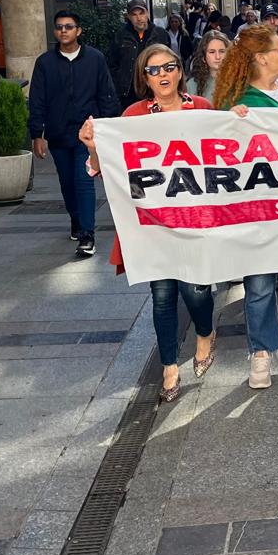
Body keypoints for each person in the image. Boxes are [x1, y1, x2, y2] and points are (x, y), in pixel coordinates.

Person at [78, 44, 215, 404]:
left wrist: (240, 119)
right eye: (154, 70)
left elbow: (227, 155)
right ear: (145, 78)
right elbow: (107, 165)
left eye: (169, 66)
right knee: (163, 295)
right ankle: (170, 366)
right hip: (153, 224)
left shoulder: (202, 109)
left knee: (197, 291)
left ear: (180, 71)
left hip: (196, 220)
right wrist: (93, 146)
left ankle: (205, 330)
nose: (163, 75)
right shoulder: (133, 115)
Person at [212, 26, 278, 389]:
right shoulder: (238, 101)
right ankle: (260, 350)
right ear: (260, 58)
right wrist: (232, 122)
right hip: (257, 206)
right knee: (259, 284)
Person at [28, 9, 119, 259]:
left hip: (87, 133)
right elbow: (37, 99)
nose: (63, 31)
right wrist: (37, 133)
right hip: (58, 133)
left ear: (78, 31)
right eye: (59, 27)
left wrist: (106, 126)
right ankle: (76, 220)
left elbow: (106, 94)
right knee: (67, 184)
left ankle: (87, 234)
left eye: (69, 26)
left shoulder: (95, 59)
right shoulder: (45, 63)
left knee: (83, 181)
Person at [110, 0, 169, 101]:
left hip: (155, 88)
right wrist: (118, 85)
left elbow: (171, 60)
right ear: (128, 17)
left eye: (142, 13)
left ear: (147, 14)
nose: (139, 18)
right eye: (134, 15)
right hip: (129, 92)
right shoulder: (121, 36)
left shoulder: (160, 34)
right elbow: (112, 64)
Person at [190, 30, 230, 103]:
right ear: (203, 57)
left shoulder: (238, 82)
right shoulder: (192, 85)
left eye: (222, 51)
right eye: (212, 52)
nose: (217, 57)